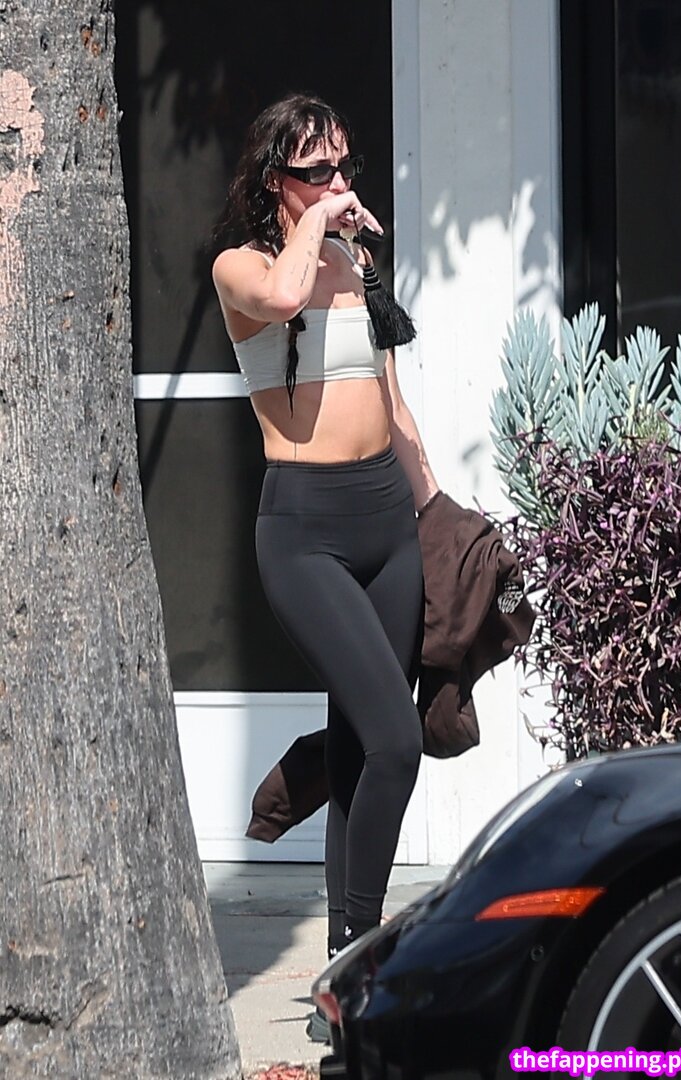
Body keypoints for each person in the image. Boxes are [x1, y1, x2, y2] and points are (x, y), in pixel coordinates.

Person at [211, 92, 438, 1029]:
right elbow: (280, 298)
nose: (341, 184)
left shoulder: (355, 259)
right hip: (304, 529)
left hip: (388, 519)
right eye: (318, 171)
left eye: (346, 166)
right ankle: (362, 964)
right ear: (276, 181)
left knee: (359, 747)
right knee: (395, 740)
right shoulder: (243, 266)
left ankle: (341, 978)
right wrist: (321, 227)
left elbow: (393, 401)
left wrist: (440, 516)